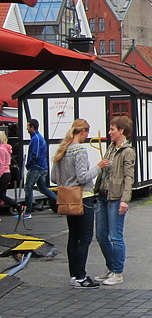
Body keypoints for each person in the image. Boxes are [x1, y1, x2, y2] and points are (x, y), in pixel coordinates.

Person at [51, 119, 107, 289]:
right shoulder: (80, 151)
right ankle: (82, 277)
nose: (86, 137)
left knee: (73, 237)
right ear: (83, 132)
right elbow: (83, 177)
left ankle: (74, 275)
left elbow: (54, 178)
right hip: (83, 197)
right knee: (85, 238)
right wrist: (98, 167)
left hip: (68, 198)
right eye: (86, 133)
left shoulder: (63, 149)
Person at [94, 116, 136, 286]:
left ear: (122, 131)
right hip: (103, 195)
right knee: (101, 235)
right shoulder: (110, 148)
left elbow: (129, 177)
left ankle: (118, 272)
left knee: (115, 236)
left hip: (116, 197)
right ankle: (111, 267)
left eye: (112, 129)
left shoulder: (127, 151)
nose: (109, 132)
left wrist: (125, 200)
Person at [21, 119, 57, 218]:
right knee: (42, 188)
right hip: (43, 167)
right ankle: (59, 201)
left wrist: (29, 164)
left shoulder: (35, 139)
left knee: (28, 188)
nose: (26, 128)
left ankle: (28, 212)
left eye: (28, 126)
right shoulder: (39, 137)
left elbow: (35, 154)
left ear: (32, 127)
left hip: (36, 167)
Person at [0, 131, 23, 220]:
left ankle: (17, 206)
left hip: (3, 174)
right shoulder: (6, 149)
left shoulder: (1, 150)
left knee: (2, 195)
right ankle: (17, 206)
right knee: (2, 195)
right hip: (7, 173)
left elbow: (1, 164)